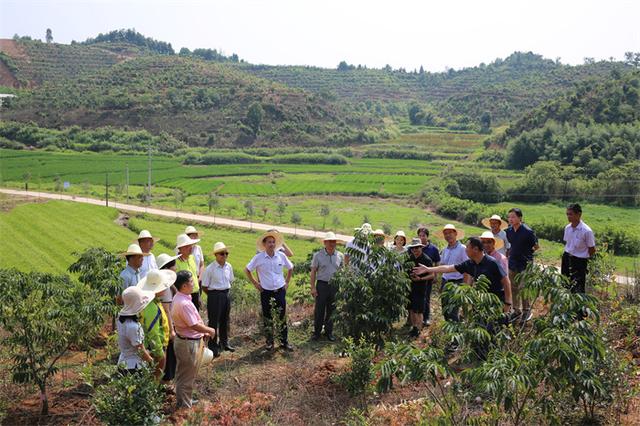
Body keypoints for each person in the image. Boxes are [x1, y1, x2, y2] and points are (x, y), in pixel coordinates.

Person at [413, 237, 513, 313]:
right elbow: (449, 268)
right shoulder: (470, 263)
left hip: (496, 301)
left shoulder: (491, 262)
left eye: (467, 247)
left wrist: (508, 302)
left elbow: (506, 281)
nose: (465, 250)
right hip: (481, 302)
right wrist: (428, 269)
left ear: (475, 249)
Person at [172, 270, 216, 409]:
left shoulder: (179, 298)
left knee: (184, 374)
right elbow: (193, 325)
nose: (194, 283)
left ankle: (185, 400)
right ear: (184, 286)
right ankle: (184, 407)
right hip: (188, 343)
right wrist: (209, 330)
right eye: (191, 281)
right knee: (186, 376)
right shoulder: (184, 303)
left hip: (184, 340)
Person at [245, 230, 294, 351]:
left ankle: (284, 342)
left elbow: (290, 268)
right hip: (266, 292)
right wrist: (256, 283)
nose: (271, 244)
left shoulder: (281, 256)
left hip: (280, 291)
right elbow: (247, 270)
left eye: (273, 242)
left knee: (282, 316)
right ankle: (269, 342)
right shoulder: (259, 257)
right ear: (264, 244)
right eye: (269, 242)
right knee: (267, 318)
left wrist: (287, 282)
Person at [137, 269, 177, 380]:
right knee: (155, 378)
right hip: (155, 348)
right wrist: (160, 353)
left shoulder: (155, 302)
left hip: (157, 345)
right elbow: (153, 333)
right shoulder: (151, 307)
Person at [202, 242, 235, 357]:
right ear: (216, 255)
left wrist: (224, 293)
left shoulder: (229, 266)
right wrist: (213, 295)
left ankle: (224, 343)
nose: (224, 256)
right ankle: (213, 346)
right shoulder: (210, 269)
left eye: (226, 253)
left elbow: (230, 281)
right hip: (214, 296)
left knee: (225, 320)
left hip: (226, 294)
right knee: (213, 322)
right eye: (222, 253)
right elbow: (204, 286)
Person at [505, 208, 539, 322]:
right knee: (513, 287)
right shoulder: (508, 231)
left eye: (513, 217)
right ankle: (516, 310)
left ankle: (527, 310)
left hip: (525, 264)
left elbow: (536, 246)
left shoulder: (528, 231)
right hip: (513, 262)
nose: (511, 219)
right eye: (509, 217)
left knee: (523, 287)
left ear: (520, 218)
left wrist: (528, 253)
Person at [310, 232, 344, 341]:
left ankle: (329, 332)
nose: (331, 244)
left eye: (333, 242)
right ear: (325, 242)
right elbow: (313, 272)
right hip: (322, 285)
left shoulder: (340, 255)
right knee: (319, 310)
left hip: (335, 285)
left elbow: (342, 271)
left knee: (332, 310)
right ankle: (317, 333)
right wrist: (313, 287)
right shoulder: (318, 255)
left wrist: (342, 287)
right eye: (329, 241)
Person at [116, 286, 155, 374]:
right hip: (134, 367)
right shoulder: (133, 327)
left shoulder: (121, 319)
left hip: (124, 362)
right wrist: (150, 361)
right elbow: (140, 349)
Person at [435, 224, 468, 322]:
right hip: (446, 281)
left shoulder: (463, 248)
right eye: (445, 233)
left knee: (454, 309)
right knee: (445, 307)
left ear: (455, 234)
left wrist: (465, 285)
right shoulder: (445, 250)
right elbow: (443, 264)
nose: (448, 235)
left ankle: (455, 331)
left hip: (457, 281)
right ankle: (449, 328)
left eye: (450, 233)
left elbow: (467, 267)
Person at [157, 253, 180, 386]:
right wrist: (171, 330)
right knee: (170, 354)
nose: (176, 268)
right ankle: (166, 381)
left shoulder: (168, 285)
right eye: (173, 266)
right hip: (167, 325)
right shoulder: (164, 287)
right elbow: (166, 310)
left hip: (168, 323)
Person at [562, 203, 596, 294]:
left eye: (571, 214)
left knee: (578, 287)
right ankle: (566, 306)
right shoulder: (567, 228)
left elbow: (592, 249)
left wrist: (583, 260)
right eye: (567, 214)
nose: (568, 216)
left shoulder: (586, 231)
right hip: (567, 258)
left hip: (579, 261)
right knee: (565, 283)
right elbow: (568, 243)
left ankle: (579, 308)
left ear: (579, 214)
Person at [406, 239, 435, 336]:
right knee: (412, 309)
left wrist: (420, 279)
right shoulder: (409, 258)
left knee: (419, 310)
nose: (415, 250)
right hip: (410, 287)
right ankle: (414, 327)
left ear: (421, 248)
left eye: (417, 248)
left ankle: (419, 329)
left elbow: (432, 275)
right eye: (413, 248)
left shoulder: (426, 260)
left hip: (421, 287)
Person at [417, 227, 440, 326]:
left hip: (428, 277)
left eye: (424, 236)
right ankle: (416, 317)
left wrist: (435, 275)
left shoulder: (433, 249)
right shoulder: (415, 247)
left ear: (427, 236)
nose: (422, 238)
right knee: (416, 297)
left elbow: (437, 262)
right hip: (416, 277)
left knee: (426, 297)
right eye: (420, 236)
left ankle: (426, 318)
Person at [175, 233, 202, 310]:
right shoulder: (176, 262)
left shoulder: (192, 258)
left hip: (195, 293)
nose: (190, 248)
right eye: (187, 246)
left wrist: (198, 295)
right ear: (180, 248)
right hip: (184, 296)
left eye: (190, 245)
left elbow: (195, 276)